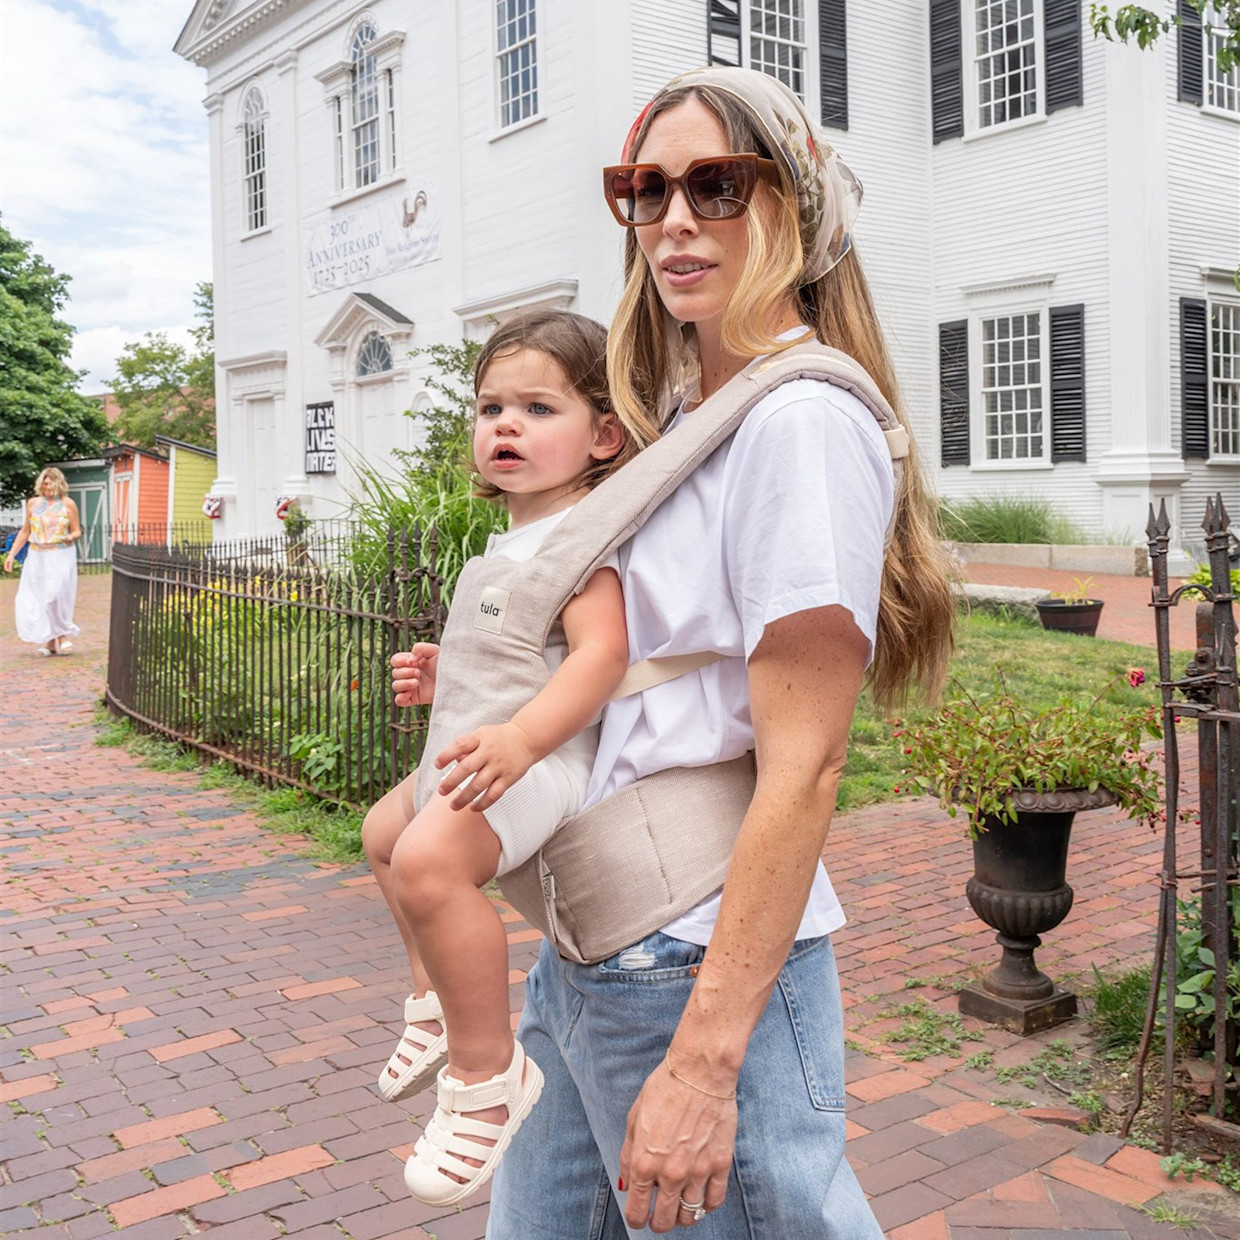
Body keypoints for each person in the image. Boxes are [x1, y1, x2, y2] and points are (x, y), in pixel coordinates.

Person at [394, 67, 956, 1236]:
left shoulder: (800, 424)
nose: (674, 219)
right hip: (593, 945)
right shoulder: (689, 412)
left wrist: (704, 1062)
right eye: (645, 190)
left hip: (689, 951)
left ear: (794, 205)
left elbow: (803, 765)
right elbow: (644, 658)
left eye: (716, 184)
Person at [362, 310, 632, 1206]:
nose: (505, 425)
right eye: (490, 407)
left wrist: (522, 738)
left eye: (537, 408)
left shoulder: (579, 543)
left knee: (432, 862)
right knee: (381, 834)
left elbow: (598, 656)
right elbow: (520, 655)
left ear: (603, 435)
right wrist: (446, 675)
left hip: (539, 764)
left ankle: (486, 1081)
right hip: (474, 751)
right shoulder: (503, 545)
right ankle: (436, 999)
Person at [4, 467, 82, 657]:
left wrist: (70, 536)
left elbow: (77, 530)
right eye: (44, 483)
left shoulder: (68, 504)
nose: (46, 486)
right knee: (40, 597)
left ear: (58, 483)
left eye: (50, 483)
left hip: (61, 554)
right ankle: (50, 642)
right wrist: (11, 554)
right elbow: (25, 531)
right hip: (37, 555)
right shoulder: (33, 504)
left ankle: (61, 636)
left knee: (54, 595)